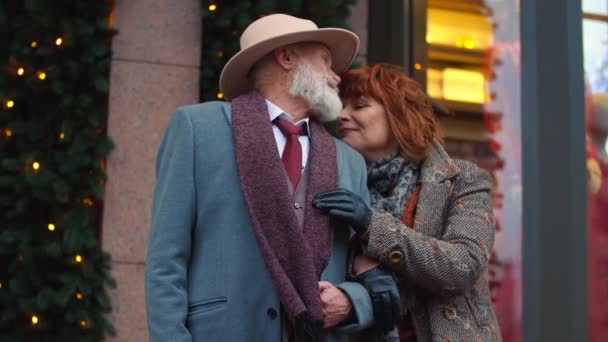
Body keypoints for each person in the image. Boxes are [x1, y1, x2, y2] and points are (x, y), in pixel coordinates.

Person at [145, 14, 400, 342]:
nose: (337, 76)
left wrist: (354, 301)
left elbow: (364, 263)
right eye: (325, 61)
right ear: (287, 57)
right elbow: (166, 261)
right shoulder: (198, 129)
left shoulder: (349, 160)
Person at [313, 64, 502, 341]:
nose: (342, 116)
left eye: (360, 106)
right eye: (342, 106)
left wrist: (371, 224)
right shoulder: (336, 183)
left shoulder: (462, 179)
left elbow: (463, 265)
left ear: (398, 115)